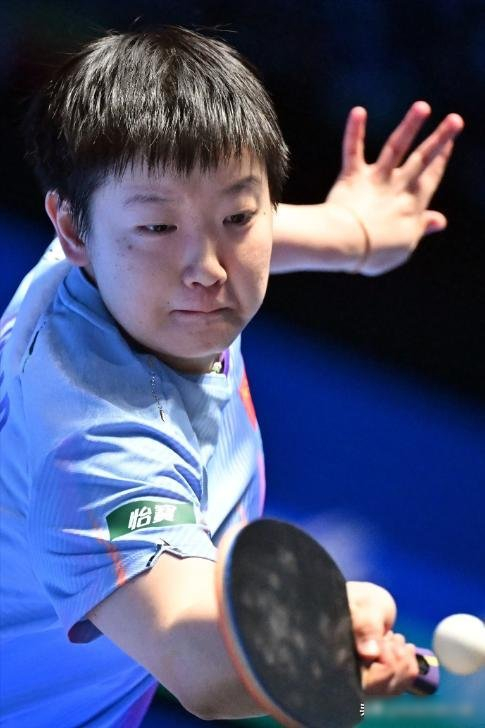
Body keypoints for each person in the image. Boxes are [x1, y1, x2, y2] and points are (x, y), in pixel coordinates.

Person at [0, 26, 463, 726]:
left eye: (237, 216)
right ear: (72, 229)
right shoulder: (93, 438)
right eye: (158, 229)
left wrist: (355, 234)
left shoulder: (117, 262)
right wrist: (312, 643)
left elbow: (213, 219)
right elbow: (197, 660)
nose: (208, 268)